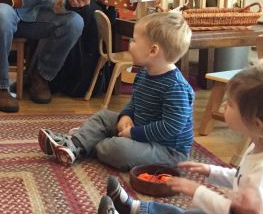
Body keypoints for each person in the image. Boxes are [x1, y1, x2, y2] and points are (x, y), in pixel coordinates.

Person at [97, 59, 263, 214]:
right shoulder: (257, 147)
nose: (224, 105)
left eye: (231, 104)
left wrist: (197, 191)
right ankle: (135, 210)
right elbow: (239, 176)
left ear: (256, 123)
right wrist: (211, 171)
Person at [38, 11, 193, 170]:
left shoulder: (176, 87)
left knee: (118, 149)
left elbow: (170, 127)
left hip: (167, 151)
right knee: (103, 116)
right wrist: (126, 115)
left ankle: (92, 143)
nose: (130, 44)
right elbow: (135, 101)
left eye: (134, 40)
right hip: (140, 131)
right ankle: (74, 144)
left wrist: (134, 133)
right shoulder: (144, 74)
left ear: (153, 51)